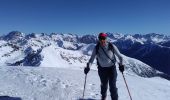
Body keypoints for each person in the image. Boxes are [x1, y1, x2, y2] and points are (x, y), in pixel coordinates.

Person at [84, 32, 124, 100]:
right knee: (104, 85)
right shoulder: (96, 48)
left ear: (106, 39)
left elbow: (120, 57)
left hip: (112, 68)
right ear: (98, 39)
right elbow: (91, 59)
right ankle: (103, 97)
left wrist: (121, 65)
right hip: (102, 69)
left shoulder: (111, 46)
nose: (102, 40)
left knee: (113, 86)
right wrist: (88, 67)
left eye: (103, 38)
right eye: (100, 38)